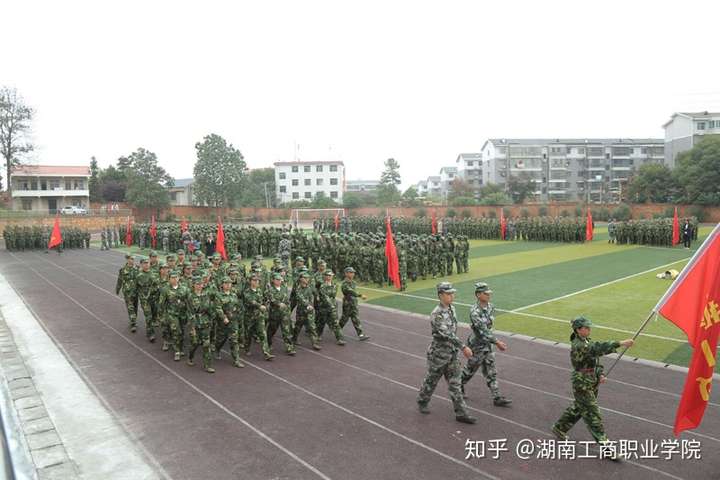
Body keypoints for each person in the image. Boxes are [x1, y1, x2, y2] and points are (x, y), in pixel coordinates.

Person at [552, 316, 634, 459]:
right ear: (578, 330)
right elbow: (596, 349)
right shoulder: (580, 345)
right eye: (586, 327)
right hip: (582, 383)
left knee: (579, 408)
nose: (589, 329)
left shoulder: (586, 341)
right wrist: (620, 343)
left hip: (591, 379)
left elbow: (594, 360)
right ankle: (607, 448)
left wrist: (600, 373)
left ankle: (559, 428)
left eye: (589, 327)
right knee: (593, 415)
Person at [416, 282, 477, 425]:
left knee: (455, 384)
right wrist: (463, 347)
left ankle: (461, 413)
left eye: (452, 293)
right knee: (431, 381)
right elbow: (448, 334)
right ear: (440, 295)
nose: (452, 296)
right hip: (439, 355)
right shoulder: (436, 314)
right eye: (448, 294)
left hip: (451, 354)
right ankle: (422, 400)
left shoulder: (452, 309)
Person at [460, 282, 511, 407]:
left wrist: (493, 342)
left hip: (488, 345)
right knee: (470, 371)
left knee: (491, 371)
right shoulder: (474, 311)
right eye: (485, 293)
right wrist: (497, 342)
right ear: (478, 295)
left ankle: (496, 397)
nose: (488, 295)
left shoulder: (491, 307)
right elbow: (483, 330)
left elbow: (488, 327)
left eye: (489, 293)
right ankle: (459, 385)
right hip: (477, 346)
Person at [340, 267, 369, 340]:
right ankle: (337, 330)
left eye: (353, 273)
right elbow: (351, 291)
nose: (353, 274)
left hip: (354, 304)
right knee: (344, 319)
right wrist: (360, 295)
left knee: (356, 319)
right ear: (346, 273)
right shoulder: (344, 284)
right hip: (347, 304)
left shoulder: (353, 282)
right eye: (351, 272)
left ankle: (361, 334)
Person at [115, 254, 138, 332]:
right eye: (131, 259)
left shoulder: (137, 268)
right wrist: (117, 289)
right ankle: (133, 323)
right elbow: (120, 280)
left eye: (133, 259)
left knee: (135, 307)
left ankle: (134, 319)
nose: (132, 260)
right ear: (127, 259)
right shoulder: (123, 270)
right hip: (127, 292)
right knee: (130, 307)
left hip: (136, 291)